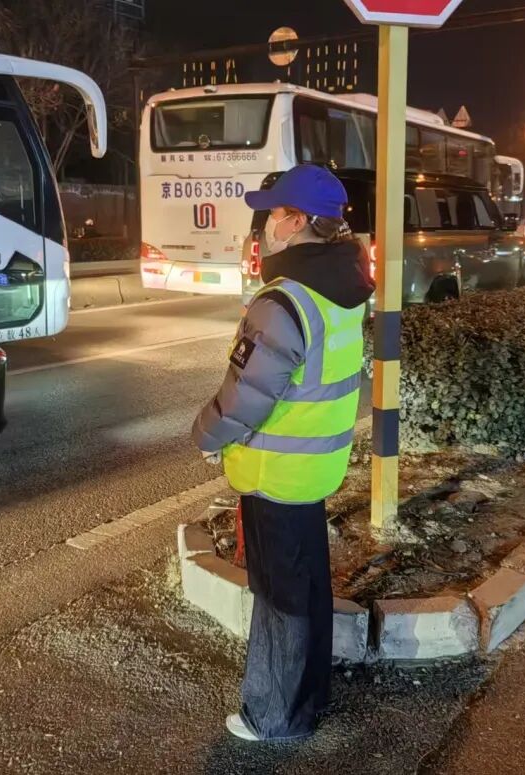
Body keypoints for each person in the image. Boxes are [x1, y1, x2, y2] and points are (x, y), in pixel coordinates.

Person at [192, 164, 375, 742]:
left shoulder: (284, 300)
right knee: (308, 588)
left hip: (274, 470)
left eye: (274, 213)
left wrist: (205, 435)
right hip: (315, 465)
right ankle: (308, 697)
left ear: (297, 221)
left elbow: (247, 395)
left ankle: (274, 716)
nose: (268, 224)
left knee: (279, 599)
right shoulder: (343, 285)